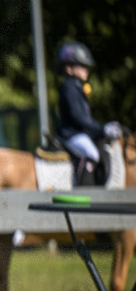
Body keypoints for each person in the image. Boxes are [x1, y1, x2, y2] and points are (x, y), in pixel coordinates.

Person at [55, 40, 123, 185]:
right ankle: (83, 189)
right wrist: (102, 129)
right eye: (82, 66)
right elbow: (78, 117)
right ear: (69, 68)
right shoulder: (68, 87)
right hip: (71, 134)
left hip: (80, 133)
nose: (86, 69)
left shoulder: (76, 86)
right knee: (91, 153)